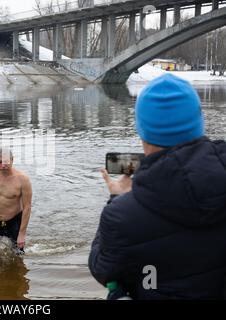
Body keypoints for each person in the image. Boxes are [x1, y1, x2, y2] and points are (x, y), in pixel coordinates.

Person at [89, 73, 226, 299]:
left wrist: (118, 199)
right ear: (198, 121)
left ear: (142, 130)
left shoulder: (122, 216)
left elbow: (102, 269)